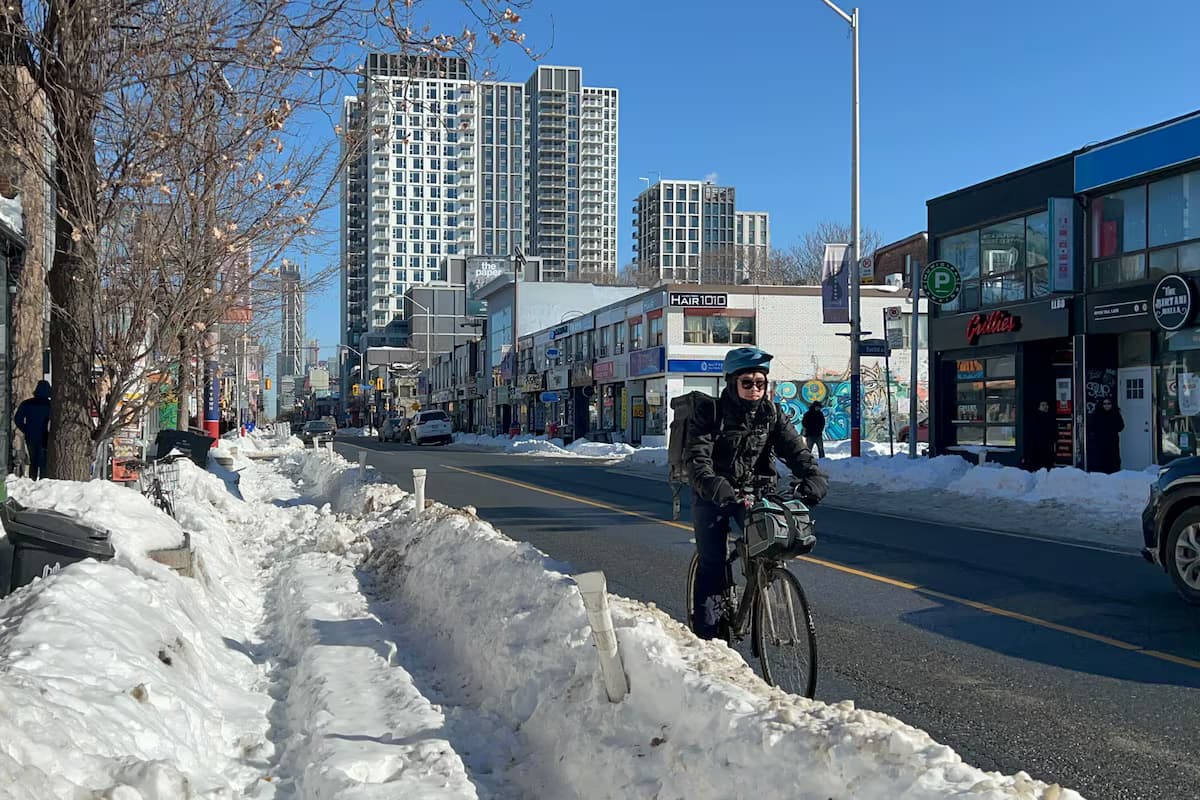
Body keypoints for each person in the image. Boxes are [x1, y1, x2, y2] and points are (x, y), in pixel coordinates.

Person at [684, 347, 828, 639]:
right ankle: (708, 637)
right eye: (747, 383)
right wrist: (716, 485)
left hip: (756, 494)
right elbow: (697, 460)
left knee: (771, 545)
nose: (754, 389)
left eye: (760, 383)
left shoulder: (771, 414)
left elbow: (797, 452)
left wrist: (813, 477)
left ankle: (757, 579)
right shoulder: (709, 413)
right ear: (732, 383)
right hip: (714, 495)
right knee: (713, 561)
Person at [15, 380, 52, 480]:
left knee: (33, 461)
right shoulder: (50, 405)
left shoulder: (26, 404)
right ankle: (43, 483)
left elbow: (18, 419)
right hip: (44, 437)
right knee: (43, 462)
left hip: (30, 436)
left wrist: (26, 429)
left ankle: (32, 480)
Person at [1089, 397, 1124, 474]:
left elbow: (1121, 426)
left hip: (1112, 441)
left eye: (1109, 403)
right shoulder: (1097, 415)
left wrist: (1112, 428)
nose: (1107, 405)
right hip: (1100, 442)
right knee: (1101, 459)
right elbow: (1092, 426)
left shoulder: (1115, 414)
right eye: (1104, 404)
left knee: (1113, 459)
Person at [1026, 400, 1057, 471]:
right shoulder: (1034, 418)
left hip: (1048, 445)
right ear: (1038, 407)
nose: (1045, 407)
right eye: (1043, 405)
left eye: (1046, 405)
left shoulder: (1050, 417)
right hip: (1038, 446)